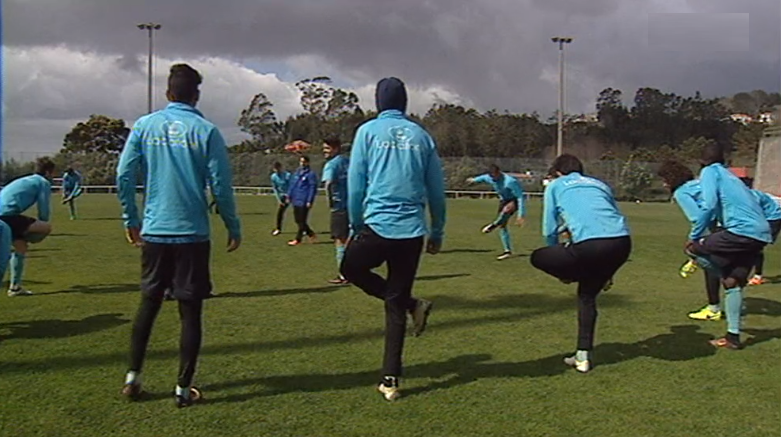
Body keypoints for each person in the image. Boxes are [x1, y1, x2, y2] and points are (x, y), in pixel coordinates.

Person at [116, 63, 241, 408]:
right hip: (192, 236)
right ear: (196, 95)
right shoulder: (206, 130)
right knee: (190, 313)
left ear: (168, 93)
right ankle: (183, 389)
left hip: (155, 232)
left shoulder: (145, 125)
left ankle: (133, 378)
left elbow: (123, 174)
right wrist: (233, 224)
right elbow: (221, 185)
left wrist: (131, 217)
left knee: (148, 304)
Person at [340, 77, 446, 401]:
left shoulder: (368, 132)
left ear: (378, 102)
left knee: (350, 269)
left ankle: (392, 372)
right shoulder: (422, 136)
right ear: (405, 103)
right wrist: (437, 230)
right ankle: (391, 380)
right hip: (412, 231)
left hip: (375, 225)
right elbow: (436, 190)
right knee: (396, 302)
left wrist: (355, 223)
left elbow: (356, 183)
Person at [530, 154, 631, 373]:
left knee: (537, 257)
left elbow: (549, 227)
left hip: (591, 247)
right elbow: (610, 214)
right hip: (622, 243)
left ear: (557, 172)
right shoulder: (599, 184)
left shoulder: (556, 186)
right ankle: (582, 357)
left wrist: (554, 251)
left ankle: (573, 274)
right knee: (586, 296)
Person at [685, 143, 771, 349]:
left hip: (740, 231)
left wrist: (694, 235)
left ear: (701, 161)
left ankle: (721, 274)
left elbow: (709, 204)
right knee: (734, 283)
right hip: (760, 233)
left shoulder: (709, 172)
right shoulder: (731, 176)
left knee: (692, 249)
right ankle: (732, 337)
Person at [657, 160, 723, 321]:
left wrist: (693, 239)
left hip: (718, 227)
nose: (664, 184)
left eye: (665, 179)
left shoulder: (681, 193)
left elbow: (698, 217)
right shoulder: (699, 184)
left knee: (711, 265)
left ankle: (714, 308)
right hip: (734, 223)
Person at [0, 157, 56, 296]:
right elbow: (44, 207)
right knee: (46, 228)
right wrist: (43, 223)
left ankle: (15, 287)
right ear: (49, 172)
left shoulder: (26, 179)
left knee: (21, 248)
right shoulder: (43, 183)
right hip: (8, 216)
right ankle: (28, 237)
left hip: (6, 216)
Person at [466, 165, 526, 260]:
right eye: (492, 177)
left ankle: (493, 225)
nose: (493, 179)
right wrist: (474, 180)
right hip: (503, 200)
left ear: (499, 172)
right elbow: (482, 178)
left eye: (495, 176)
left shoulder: (510, 181)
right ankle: (507, 251)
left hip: (513, 200)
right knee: (502, 225)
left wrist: (521, 214)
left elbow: (520, 197)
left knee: (506, 210)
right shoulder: (489, 178)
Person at [321, 138, 350, 285]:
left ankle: (344, 275)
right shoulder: (347, 161)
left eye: (327, 148)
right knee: (351, 241)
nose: (324, 151)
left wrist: (330, 202)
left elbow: (328, 184)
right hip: (353, 206)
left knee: (340, 241)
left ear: (336, 148)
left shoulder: (331, 165)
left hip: (339, 208)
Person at [747, 187, 781, 285]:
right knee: (754, 246)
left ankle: (757, 276)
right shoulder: (747, 194)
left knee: (756, 245)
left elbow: (754, 213)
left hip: (773, 219)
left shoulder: (752, 196)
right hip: (768, 218)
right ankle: (756, 275)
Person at [287, 155, 318, 246]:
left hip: (304, 200)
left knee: (302, 221)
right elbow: (292, 185)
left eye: (304, 162)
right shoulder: (297, 173)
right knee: (298, 220)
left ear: (307, 163)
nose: (302, 164)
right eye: (301, 162)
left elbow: (312, 188)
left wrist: (309, 200)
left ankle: (298, 239)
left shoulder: (310, 174)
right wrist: (289, 195)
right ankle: (311, 233)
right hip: (296, 199)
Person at [270, 162, 292, 236]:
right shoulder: (273, 177)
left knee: (298, 212)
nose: (277, 171)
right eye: (275, 169)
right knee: (280, 213)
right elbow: (275, 189)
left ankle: (303, 228)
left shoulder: (287, 175)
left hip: (292, 195)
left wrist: (289, 197)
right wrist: (279, 200)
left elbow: (291, 187)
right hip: (282, 196)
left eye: (278, 168)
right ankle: (278, 229)